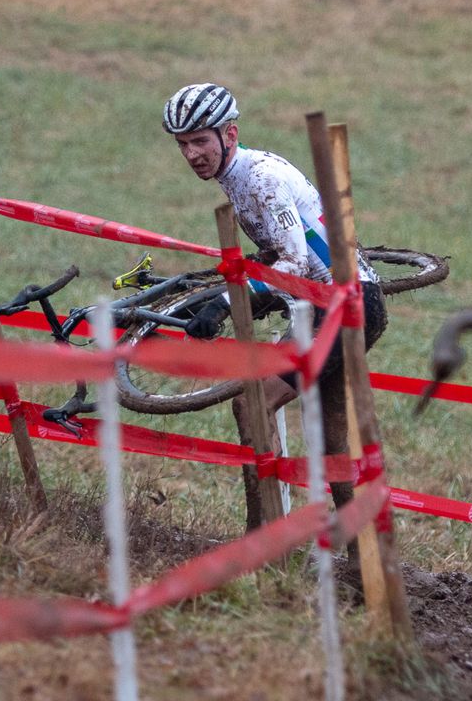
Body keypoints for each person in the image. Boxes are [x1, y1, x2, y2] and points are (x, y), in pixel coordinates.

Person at [162, 82, 387, 529]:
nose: (191, 155)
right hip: (326, 305)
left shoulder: (260, 178)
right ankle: (360, 543)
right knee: (331, 437)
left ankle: (262, 529)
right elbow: (275, 254)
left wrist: (226, 303)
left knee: (253, 404)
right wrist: (223, 292)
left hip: (344, 306)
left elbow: (293, 260)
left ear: (229, 133)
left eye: (200, 141)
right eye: (182, 144)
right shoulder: (239, 176)